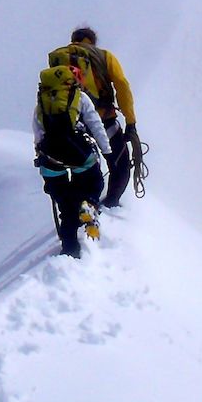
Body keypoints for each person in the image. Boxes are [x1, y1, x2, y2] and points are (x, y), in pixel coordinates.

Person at [50, 26, 143, 207]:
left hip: (69, 124)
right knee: (120, 164)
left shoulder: (58, 59)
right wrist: (130, 122)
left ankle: (80, 207)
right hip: (103, 119)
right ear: (92, 41)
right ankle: (111, 203)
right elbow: (122, 85)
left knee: (82, 166)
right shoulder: (104, 56)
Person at [33, 62, 113, 258]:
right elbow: (95, 124)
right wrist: (107, 150)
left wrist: (41, 157)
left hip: (50, 159)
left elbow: (37, 133)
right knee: (95, 182)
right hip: (79, 153)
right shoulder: (81, 97)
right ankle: (89, 205)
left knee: (64, 205)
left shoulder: (42, 103)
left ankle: (69, 250)